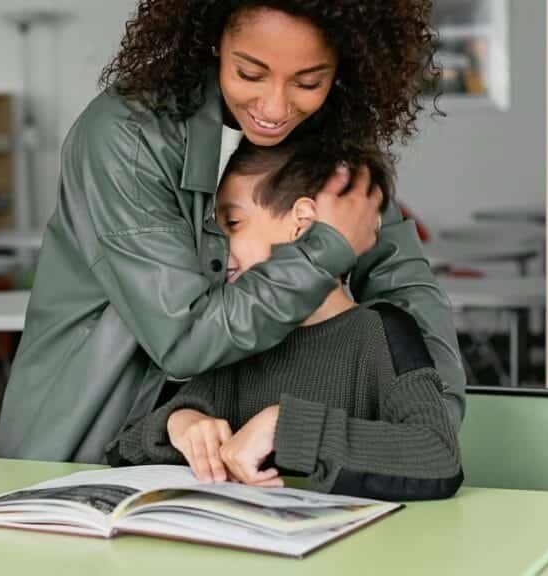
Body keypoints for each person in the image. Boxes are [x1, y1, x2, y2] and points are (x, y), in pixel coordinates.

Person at [0, 0, 465, 463]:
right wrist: (323, 251)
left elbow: (405, 287)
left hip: (232, 465)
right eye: (250, 74)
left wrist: (427, 422)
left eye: (308, 81)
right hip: (90, 445)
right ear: (213, 39)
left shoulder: (335, 136)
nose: (275, 107)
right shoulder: (127, 137)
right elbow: (184, 338)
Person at [108, 140, 463, 501]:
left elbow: (438, 456)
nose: (217, 248)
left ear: (303, 223)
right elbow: (124, 448)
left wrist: (286, 428)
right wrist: (177, 422)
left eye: (233, 222)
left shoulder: (383, 333)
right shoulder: (237, 338)